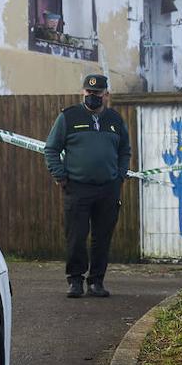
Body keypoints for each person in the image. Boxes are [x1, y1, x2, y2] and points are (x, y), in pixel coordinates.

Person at [44, 73, 132, 298]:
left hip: (108, 188)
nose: (92, 96)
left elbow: (125, 151)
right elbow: (51, 149)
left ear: (106, 95)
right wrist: (60, 175)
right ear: (83, 92)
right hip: (77, 188)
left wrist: (119, 175)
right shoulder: (68, 117)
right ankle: (75, 281)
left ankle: (96, 282)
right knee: (76, 237)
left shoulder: (115, 120)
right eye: (89, 92)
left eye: (97, 93)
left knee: (102, 238)